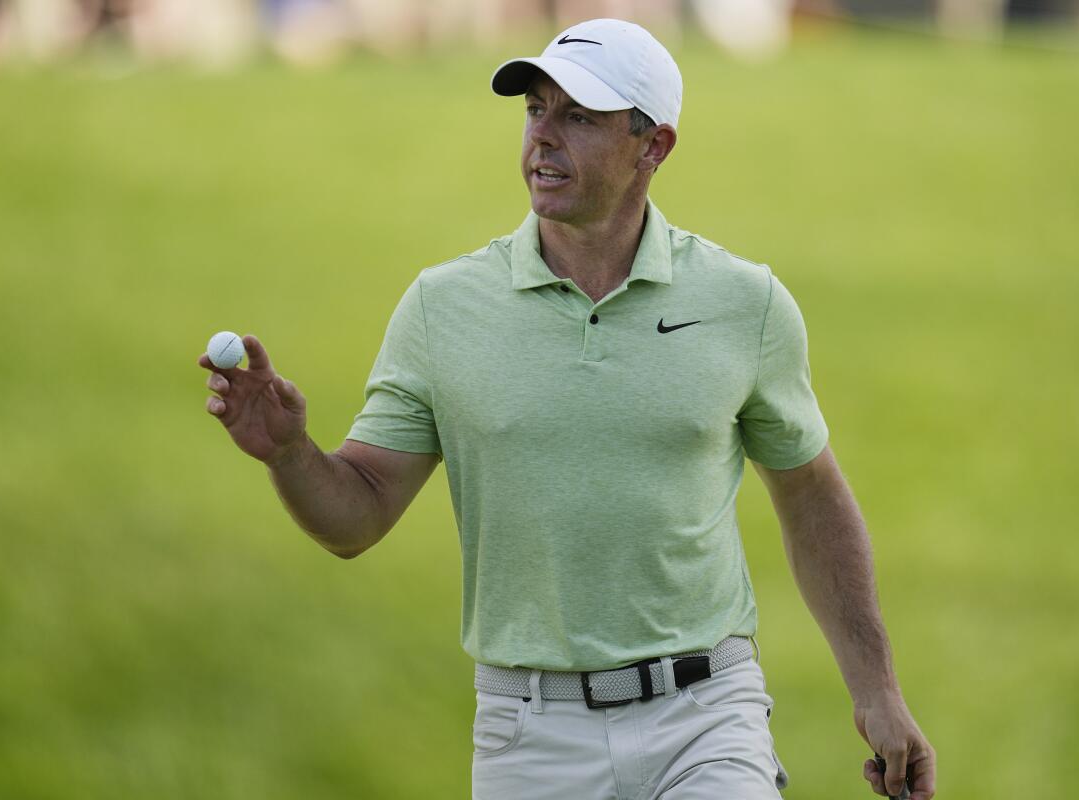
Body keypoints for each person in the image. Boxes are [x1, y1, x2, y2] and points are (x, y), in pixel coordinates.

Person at [198, 17, 936, 799]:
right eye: (535, 111)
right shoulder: (441, 308)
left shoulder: (744, 304)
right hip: (530, 737)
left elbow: (812, 496)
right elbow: (358, 518)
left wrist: (878, 692)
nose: (542, 139)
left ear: (654, 147)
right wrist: (290, 455)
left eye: (579, 117)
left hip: (706, 715)